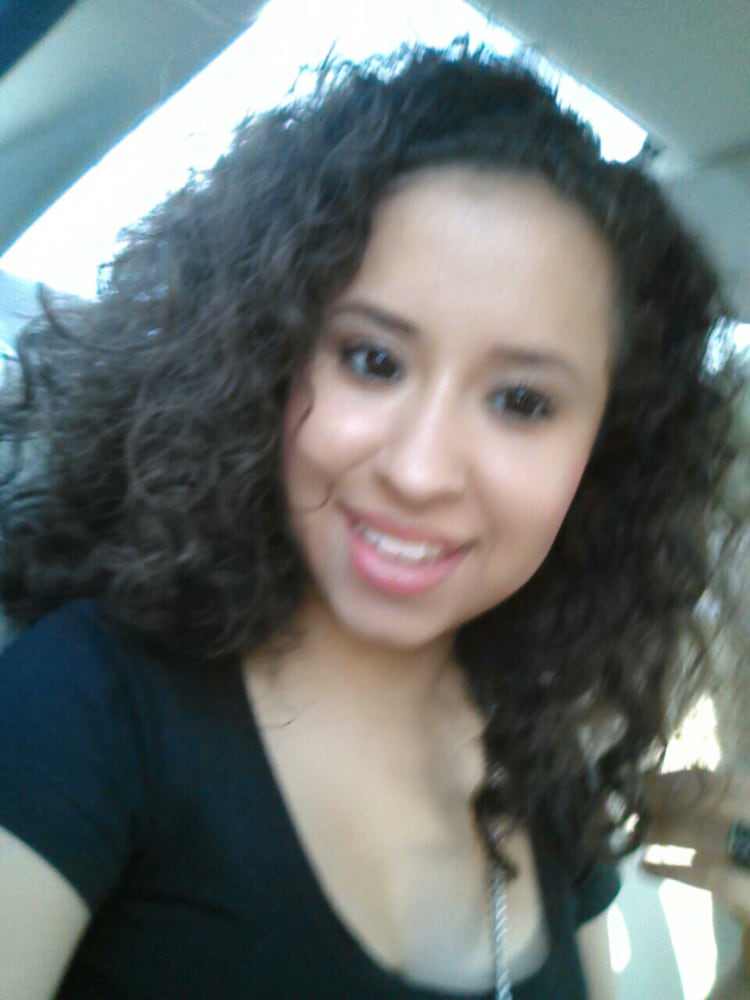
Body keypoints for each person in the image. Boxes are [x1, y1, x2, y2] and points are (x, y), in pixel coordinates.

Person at [0, 43, 747, 1000]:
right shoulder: (84, 706)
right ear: (266, 357)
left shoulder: (549, 779)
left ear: (605, 457)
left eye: (522, 402)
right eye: (372, 360)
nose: (418, 470)